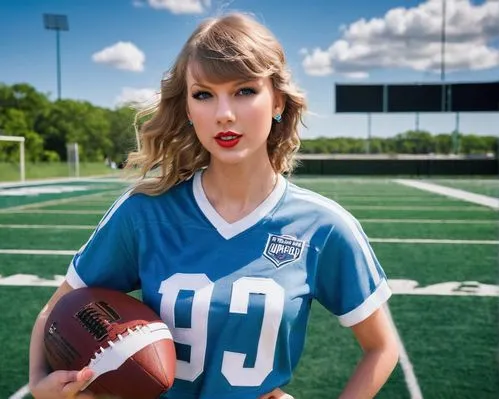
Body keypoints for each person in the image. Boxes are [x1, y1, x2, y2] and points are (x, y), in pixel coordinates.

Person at [29, 12, 399, 399]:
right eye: (204, 94)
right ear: (188, 110)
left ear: (278, 100)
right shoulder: (144, 213)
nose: (224, 113)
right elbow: (55, 312)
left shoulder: (323, 226)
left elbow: (381, 346)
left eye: (244, 90)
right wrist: (40, 384)